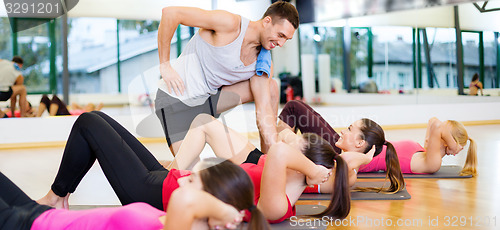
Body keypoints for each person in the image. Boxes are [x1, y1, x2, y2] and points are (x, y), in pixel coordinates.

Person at [36, 111, 269, 230]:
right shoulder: (265, 164)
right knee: (98, 118)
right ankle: (59, 196)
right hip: (165, 178)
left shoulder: (277, 175)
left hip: (152, 191)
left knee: (88, 122)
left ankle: (55, 196)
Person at [156, 1, 299, 156]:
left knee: (271, 87)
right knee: (188, 171)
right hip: (175, 99)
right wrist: (165, 65)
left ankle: (267, 160)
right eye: (280, 35)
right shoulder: (230, 24)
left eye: (286, 39)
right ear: (267, 21)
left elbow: (264, 110)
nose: (281, 43)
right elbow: (170, 13)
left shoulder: (263, 62)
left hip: (207, 101)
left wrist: (276, 153)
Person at [167, 112, 355, 222]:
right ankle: (172, 172)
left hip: (170, 188)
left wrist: (315, 170)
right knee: (203, 121)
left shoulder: (280, 202)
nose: (343, 132)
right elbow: (281, 142)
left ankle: (171, 173)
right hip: (178, 181)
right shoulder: (286, 179)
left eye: (352, 130)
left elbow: (280, 148)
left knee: (203, 123)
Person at [278, 101, 477, 193]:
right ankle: (273, 155)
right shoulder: (424, 153)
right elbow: (434, 122)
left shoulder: (432, 163)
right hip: (350, 146)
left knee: (294, 108)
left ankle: (271, 155)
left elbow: (436, 125)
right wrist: (452, 143)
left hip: (348, 152)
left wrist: (455, 145)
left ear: (444, 140)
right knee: (297, 110)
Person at [0, 169, 248, 230]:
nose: (181, 182)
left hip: (24, 225)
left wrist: (226, 212)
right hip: (39, 214)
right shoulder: (171, 219)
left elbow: (186, 199)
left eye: (192, 181)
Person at [36, 94, 103, 117]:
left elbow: (100, 106)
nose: (87, 106)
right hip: (65, 112)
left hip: (67, 114)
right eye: (87, 105)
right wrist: (83, 108)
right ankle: (37, 117)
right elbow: (73, 104)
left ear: (92, 109)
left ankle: (51, 117)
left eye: (89, 106)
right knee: (44, 97)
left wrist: (93, 109)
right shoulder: (81, 110)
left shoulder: (89, 113)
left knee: (55, 98)